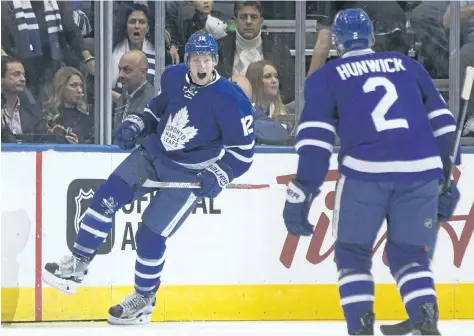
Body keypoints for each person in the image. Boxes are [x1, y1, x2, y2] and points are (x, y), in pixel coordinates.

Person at [42, 32, 255, 325]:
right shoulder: (173, 76)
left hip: (188, 173)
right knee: (105, 197)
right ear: (188, 60)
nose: (201, 65)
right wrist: (137, 123)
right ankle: (78, 263)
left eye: (207, 59)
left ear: (215, 61)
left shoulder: (232, 100)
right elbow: (159, 108)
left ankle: (143, 299)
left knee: (149, 236)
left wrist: (220, 173)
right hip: (152, 155)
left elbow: (243, 152)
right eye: (196, 60)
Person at [282, 9, 460, 336]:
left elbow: (316, 141)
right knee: (410, 255)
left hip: (367, 173)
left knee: (353, 253)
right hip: (421, 170)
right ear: (373, 38)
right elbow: (445, 126)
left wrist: (302, 190)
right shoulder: (408, 65)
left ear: (336, 42)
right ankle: (425, 322)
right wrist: (448, 177)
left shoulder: (326, 75)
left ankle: (361, 328)